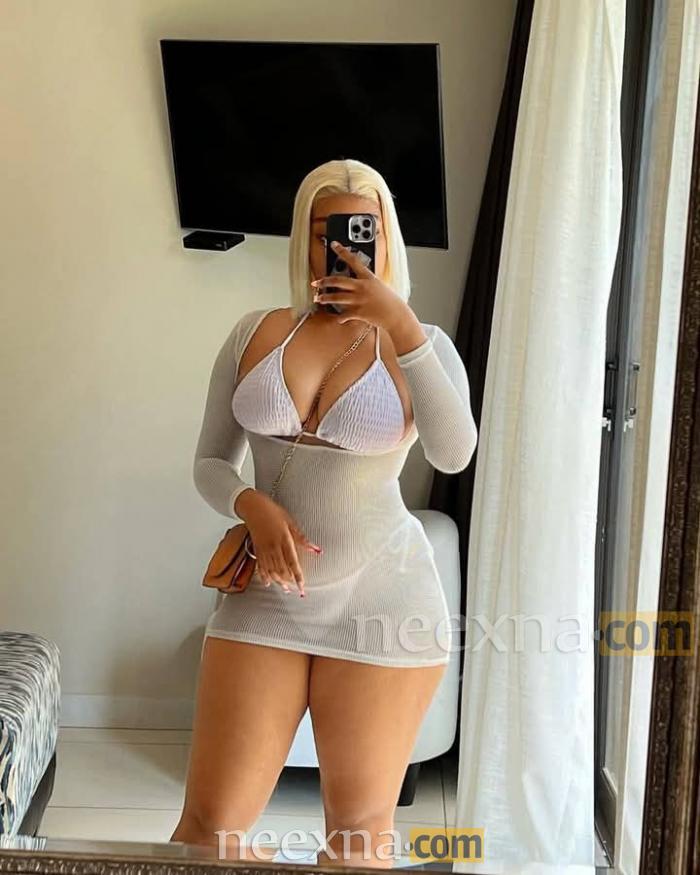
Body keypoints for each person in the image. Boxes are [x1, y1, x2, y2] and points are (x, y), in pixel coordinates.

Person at [170, 158, 478, 867]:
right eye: (325, 231)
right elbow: (210, 463)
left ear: (387, 238)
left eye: (363, 230)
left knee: (358, 840)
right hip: (265, 595)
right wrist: (251, 504)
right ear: (303, 240)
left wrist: (400, 324)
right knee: (206, 833)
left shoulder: (422, 344)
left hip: (384, 599)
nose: (342, 247)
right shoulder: (255, 332)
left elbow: (454, 452)